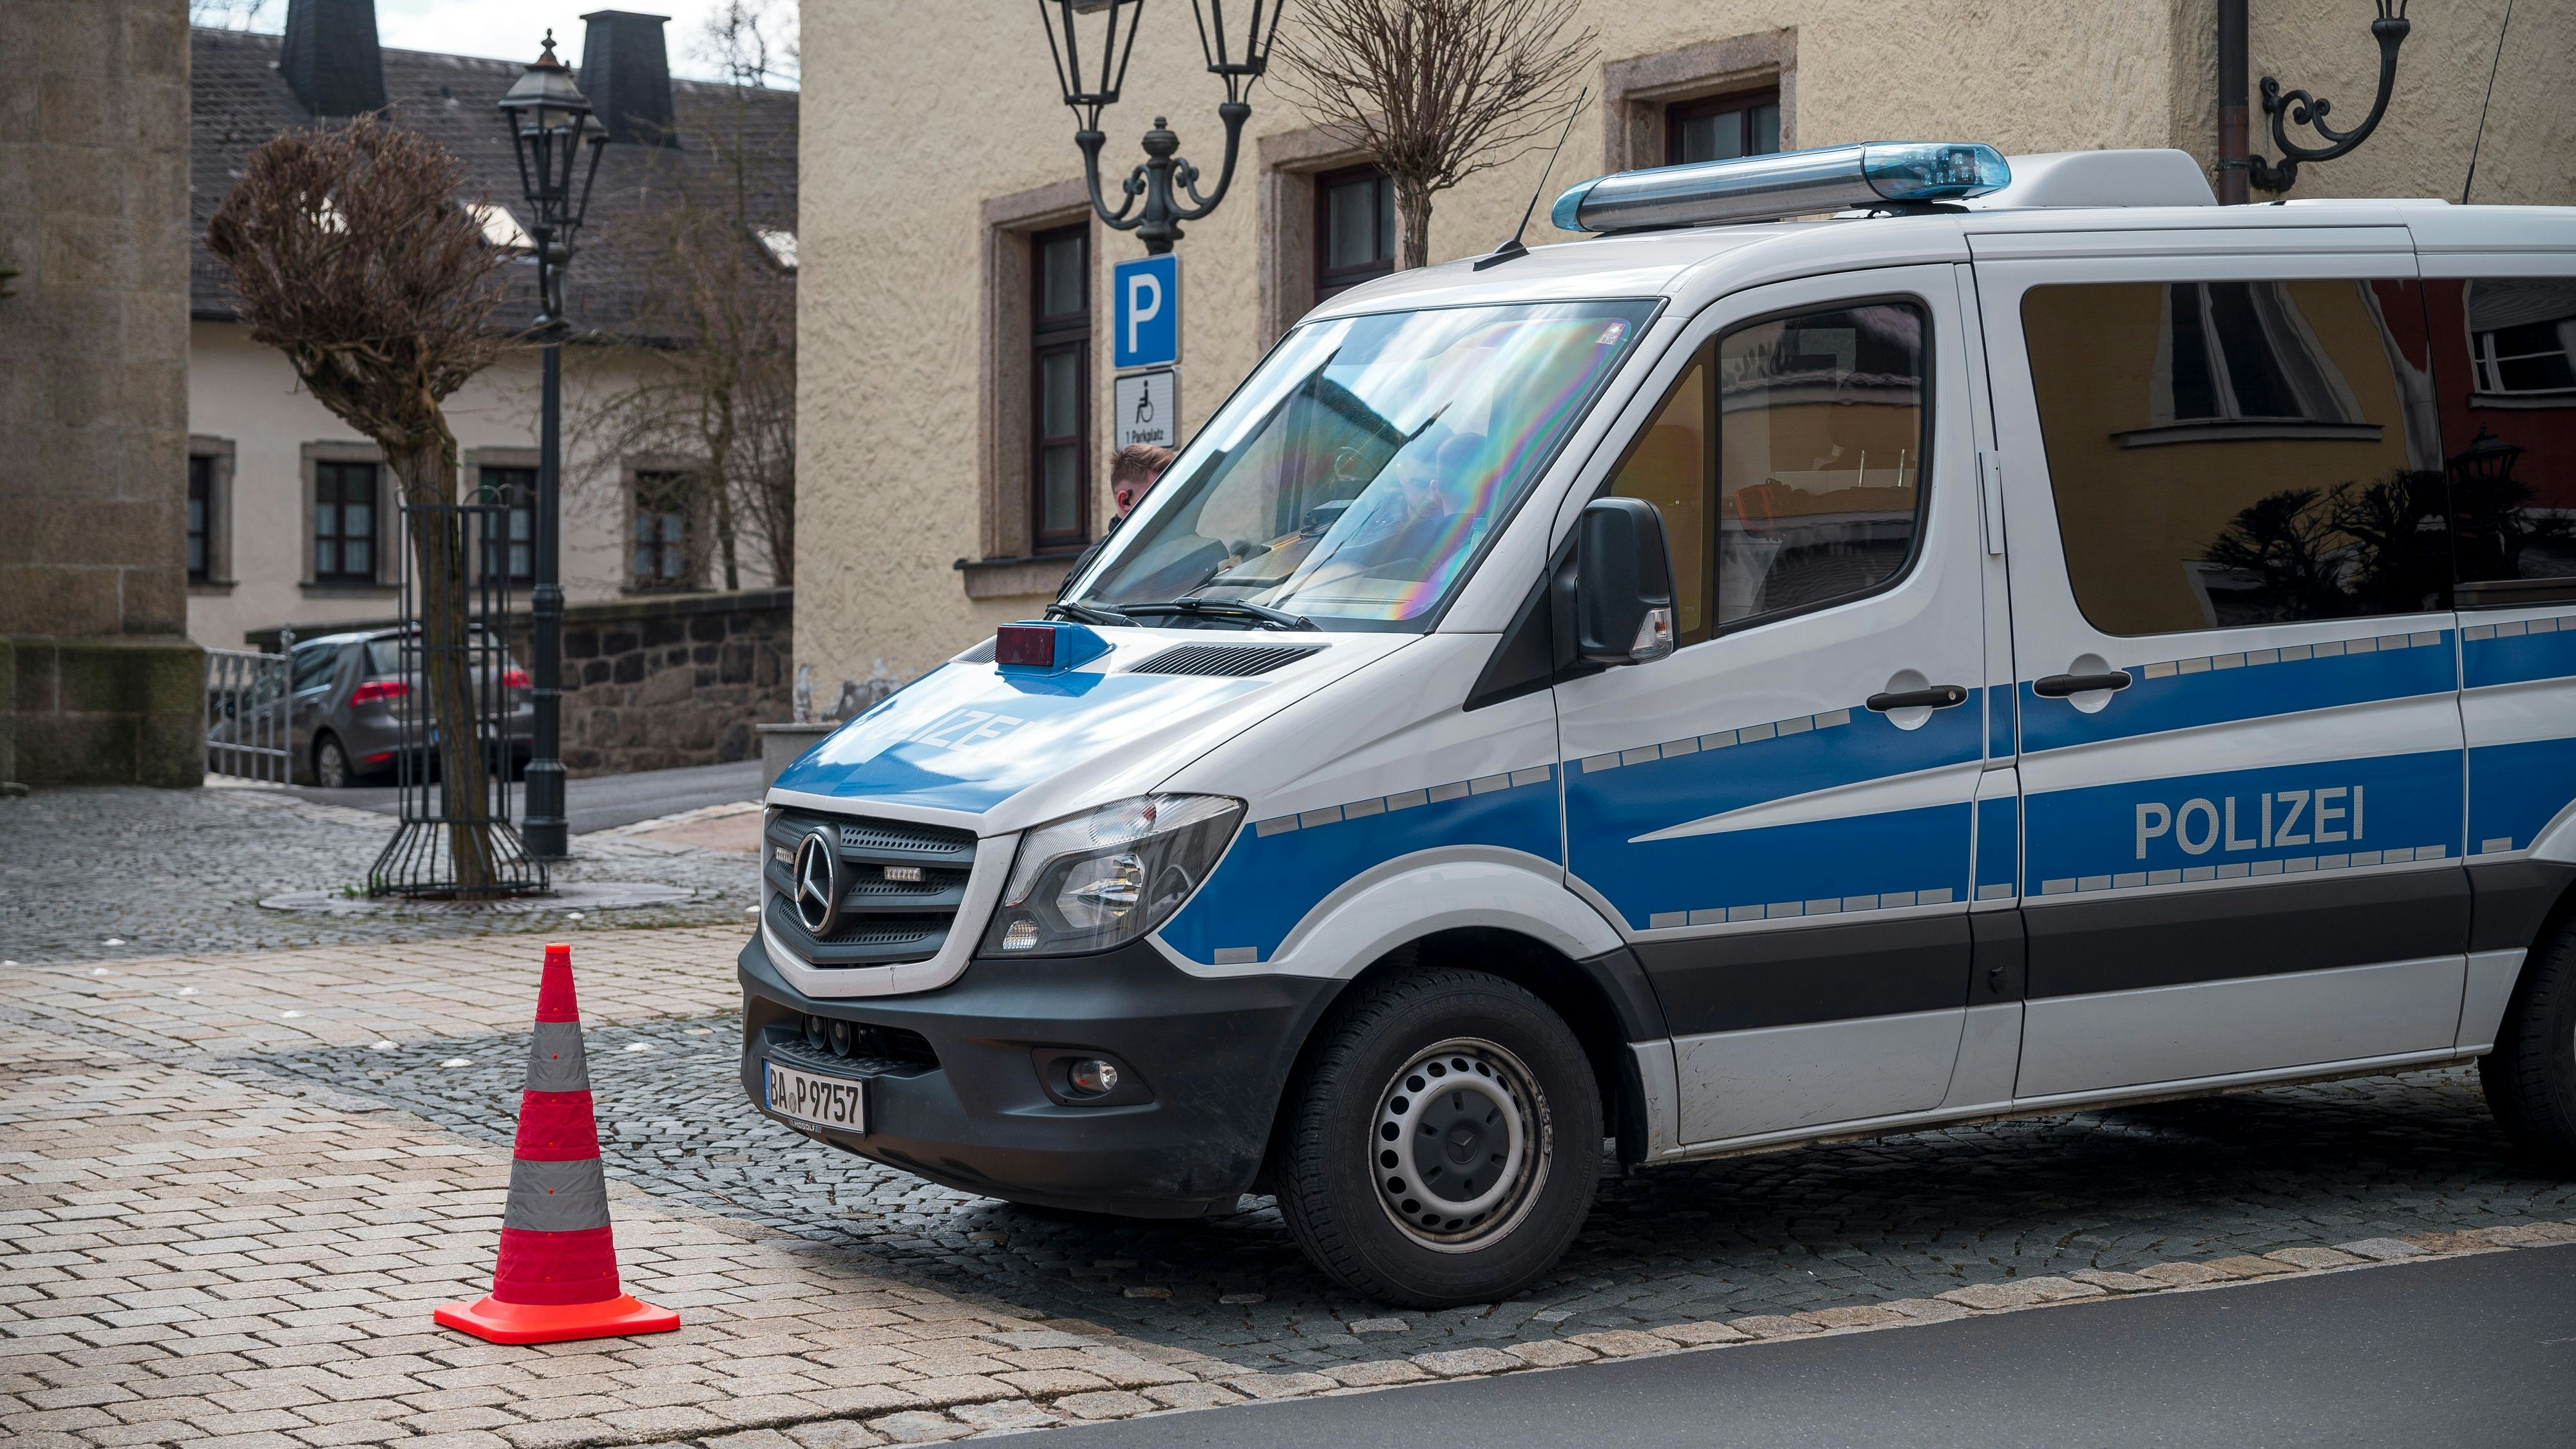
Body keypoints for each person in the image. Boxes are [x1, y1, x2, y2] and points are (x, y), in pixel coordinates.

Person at [1055, 444, 1173, 600]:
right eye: (1158, 494)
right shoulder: (1096, 567)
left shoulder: (1180, 547)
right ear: (1125, 501)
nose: (1170, 503)